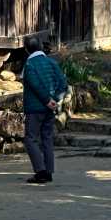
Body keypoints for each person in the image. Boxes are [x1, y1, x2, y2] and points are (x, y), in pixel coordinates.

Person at [21, 35, 68, 185]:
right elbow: (63, 83)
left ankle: (40, 171)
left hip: (35, 108)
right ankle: (48, 172)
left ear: (26, 49)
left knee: (31, 139)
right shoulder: (52, 62)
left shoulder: (29, 65)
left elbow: (35, 85)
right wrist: (56, 99)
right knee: (47, 138)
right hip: (50, 108)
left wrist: (48, 101)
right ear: (41, 47)